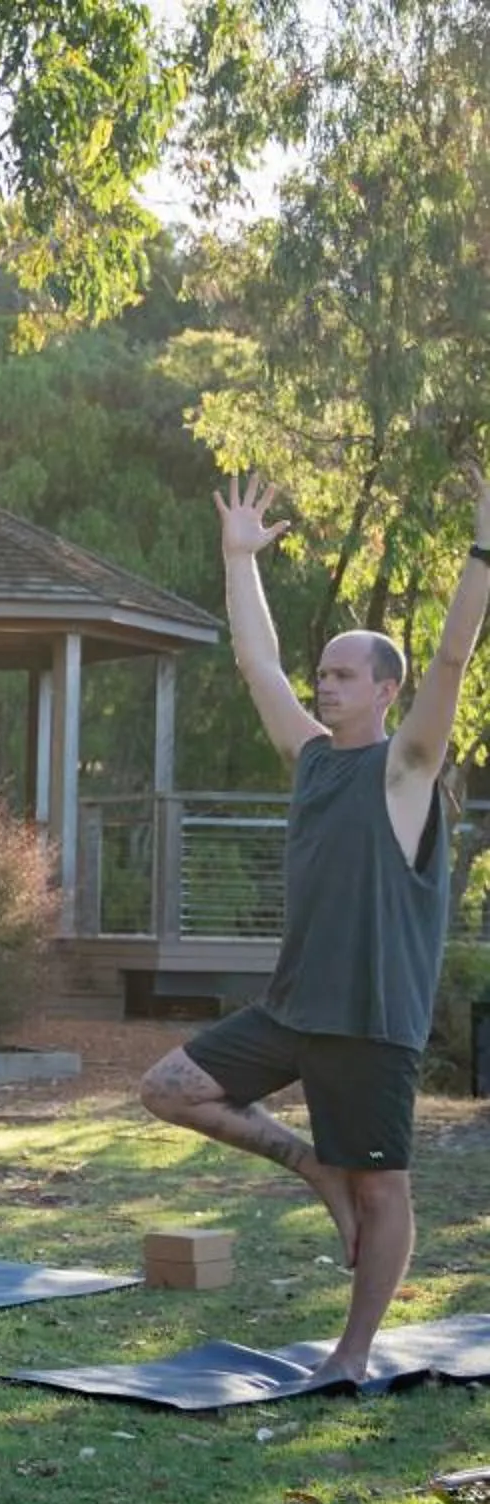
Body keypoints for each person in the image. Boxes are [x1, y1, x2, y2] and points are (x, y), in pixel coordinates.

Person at [137, 471, 490, 1386]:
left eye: (341, 675)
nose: (323, 686)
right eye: (322, 673)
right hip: (295, 1008)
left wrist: (483, 552)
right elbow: (256, 662)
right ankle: (309, 1167)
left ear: (384, 689)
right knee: (169, 1089)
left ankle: (354, 1352)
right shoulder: (311, 762)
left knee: (384, 1190)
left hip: (371, 1018)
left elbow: (451, 661)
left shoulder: (407, 768)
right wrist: (238, 559)